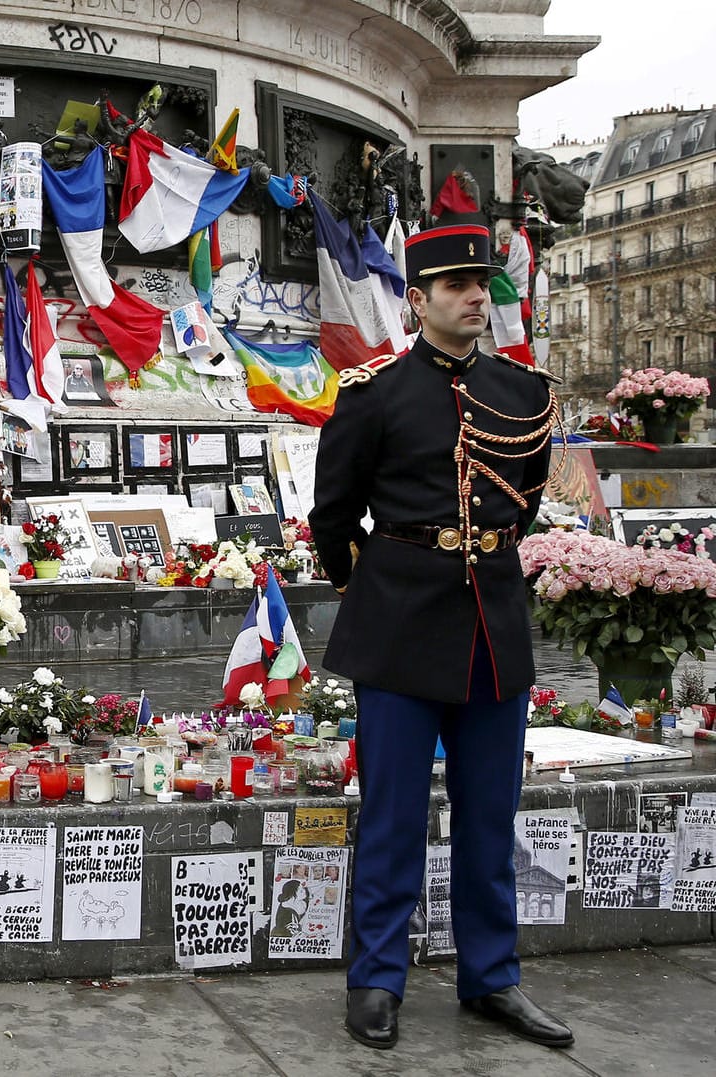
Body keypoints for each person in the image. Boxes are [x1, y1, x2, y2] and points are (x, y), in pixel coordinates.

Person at [311, 224, 568, 1052]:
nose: (473, 297)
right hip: (397, 627)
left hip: (493, 626)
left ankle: (492, 977)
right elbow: (332, 514)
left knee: (491, 815)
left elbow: (520, 501)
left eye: (481, 284)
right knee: (391, 816)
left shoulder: (523, 392)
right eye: (454, 285)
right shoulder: (372, 392)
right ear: (416, 298)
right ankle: (378, 978)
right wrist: (373, 588)